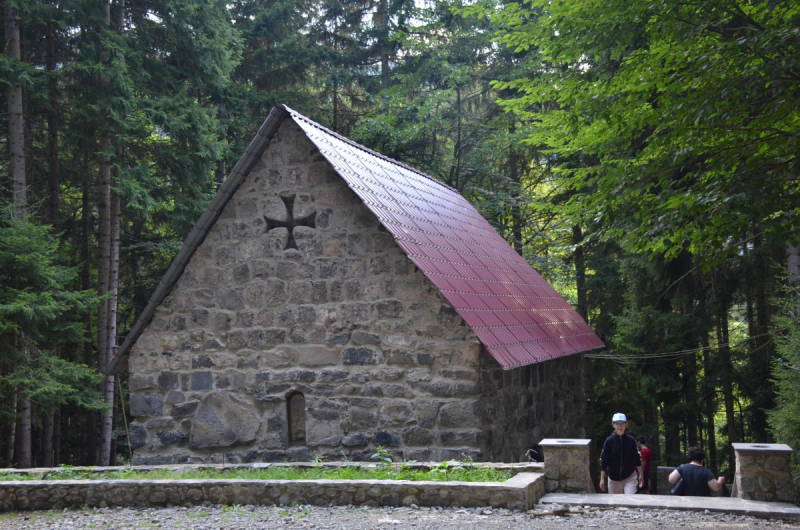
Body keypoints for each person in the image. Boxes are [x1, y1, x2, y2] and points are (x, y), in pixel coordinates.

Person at [600, 413, 643, 494]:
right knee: (615, 503)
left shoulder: (631, 440)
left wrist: (641, 475)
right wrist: (602, 479)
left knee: (630, 501)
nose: (620, 426)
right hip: (613, 478)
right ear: (613, 425)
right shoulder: (609, 441)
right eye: (617, 423)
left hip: (629, 476)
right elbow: (604, 460)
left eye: (622, 423)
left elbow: (637, 458)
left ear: (626, 424)